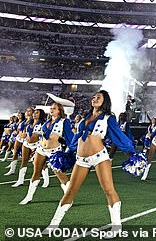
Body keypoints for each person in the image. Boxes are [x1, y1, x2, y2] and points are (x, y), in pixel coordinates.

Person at [45, 90, 137, 233]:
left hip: (99, 157)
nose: (94, 99)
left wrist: (131, 152)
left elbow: (119, 136)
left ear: (104, 101)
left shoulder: (108, 118)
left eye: (98, 98)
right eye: (94, 97)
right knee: (69, 192)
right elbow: (76, 138)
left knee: (108, 190)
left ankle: (116, 227)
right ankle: (53, 225)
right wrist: (68, 152)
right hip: (81, 159)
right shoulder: (85, 117)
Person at [19, 102, 73, 204]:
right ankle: (29, 197)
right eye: (51, 108)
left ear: (59, 110)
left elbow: (69, 137)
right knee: (36, 173)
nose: (52, 109)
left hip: (55, 152)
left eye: (54, 108)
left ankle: (69, 197)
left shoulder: (64, 121)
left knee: (60, 175)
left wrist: (71, 150)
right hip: (41, 149)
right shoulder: (46, 122)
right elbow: (42, 136)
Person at [13, 108, 45, 187]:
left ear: (40, 115)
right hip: (26, 144)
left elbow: (42, 135)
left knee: (41, 164)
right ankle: (20, 180)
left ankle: (46, 180)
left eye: (37, 113)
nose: (34, 114)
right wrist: (23, 135)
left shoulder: (42, 124)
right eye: (34, 113)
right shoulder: (29, 123)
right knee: (24, 161)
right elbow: (23, 133)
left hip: (37, 145)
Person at [5, 109, 30, 176]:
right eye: (27, 111)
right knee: (15, 153)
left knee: (29, 157)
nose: (27, 112)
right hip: (18, 138)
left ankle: (43, 173)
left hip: (27, 140)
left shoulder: (32, 121)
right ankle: (12, 169)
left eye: (29, 111)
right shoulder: (23, 121)